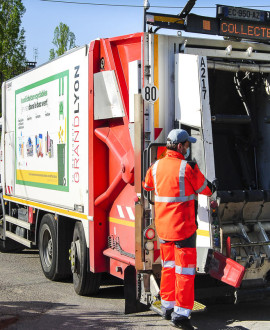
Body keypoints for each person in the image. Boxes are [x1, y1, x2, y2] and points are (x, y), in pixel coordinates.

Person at [143, 129, 214, 330]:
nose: (188, 147)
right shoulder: (187, 168)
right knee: (185, 271)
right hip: (183, 229)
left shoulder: (155, 167)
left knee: (169, 267)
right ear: (181, 146)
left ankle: (167, 306)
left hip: (164, 230)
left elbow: (147, 186)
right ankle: (181, 313)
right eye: (187, 144)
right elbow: (205, 190)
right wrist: (213, 186)